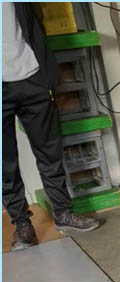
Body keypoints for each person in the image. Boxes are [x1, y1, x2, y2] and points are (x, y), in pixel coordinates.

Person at [2, 2, 100, 252]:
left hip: (32, 77)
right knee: (5, 164)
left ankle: (63, 212)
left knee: (49, 152)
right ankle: (22, 225)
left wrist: (45, 75)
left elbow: (35, 20)